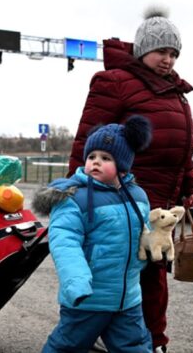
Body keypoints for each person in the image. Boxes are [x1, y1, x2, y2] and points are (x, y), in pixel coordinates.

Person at [67, 7, 193, 353]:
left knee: (152, 273)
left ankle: (149, 340)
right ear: (142, 50)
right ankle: (110, 334)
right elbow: (87, 141)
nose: (168, 59)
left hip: (160, 201)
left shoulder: (176, 94)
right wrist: (73, 190)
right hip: (122, 198)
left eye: (173, 53)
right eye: (161, 51)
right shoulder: (115, 83)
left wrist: (191, 188)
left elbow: (182, 151)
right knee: (122, 271)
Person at [34, 115, 154, 353]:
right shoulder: (73, 198)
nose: (95, 162)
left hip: (128, 299)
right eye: (92, 157)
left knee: (135, 347)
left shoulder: (138, 195)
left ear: (123, 164)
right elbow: (64, 243)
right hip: (88, 298)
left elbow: (144, 235)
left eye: (105, 158)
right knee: (66, 346)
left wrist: (154, 249)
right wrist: (76, 282)